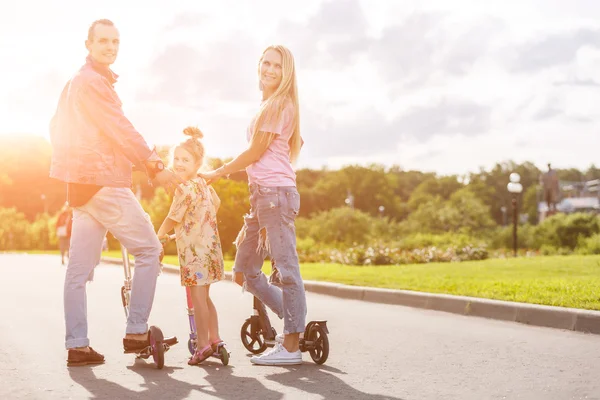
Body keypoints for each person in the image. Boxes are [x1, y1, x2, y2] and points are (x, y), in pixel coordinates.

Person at [49, 19, 181, 366]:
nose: (110, 47)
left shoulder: (76, 83)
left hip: (81, 187)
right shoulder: (92, 83)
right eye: (103, 41)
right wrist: (153, 164)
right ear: (88, 44)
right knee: (150, 250)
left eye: (115, 41)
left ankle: (77, 345)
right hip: (103, 184)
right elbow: (121, 130)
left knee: (78, 272)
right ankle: (137, 331)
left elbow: (72, 132)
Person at [200, 45, 306, 366]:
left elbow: (254, 153)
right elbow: (293, 145)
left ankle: (290, 346)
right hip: (262, 197)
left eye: (277, 65)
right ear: (259, 65)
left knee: (286, 269)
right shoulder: (271, 106)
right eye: (266, 63)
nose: (270, 70)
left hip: (275, 195)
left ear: (286, 72)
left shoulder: (279, 105)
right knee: (244, 271)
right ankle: (293, 318)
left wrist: (218, 171)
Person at [156, 126, 225, 366]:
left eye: (185, 159)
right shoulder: (204, 184)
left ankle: (204, 344)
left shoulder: (183, 188)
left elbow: (172, 217)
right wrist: (198, 224)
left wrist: (159, 236)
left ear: (197, 164)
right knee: (205, 298)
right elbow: (216, 203)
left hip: (195, 254)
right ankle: (216, 339)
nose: (179, 163)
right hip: (210, 249)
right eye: (176, 159)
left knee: (198, 301)